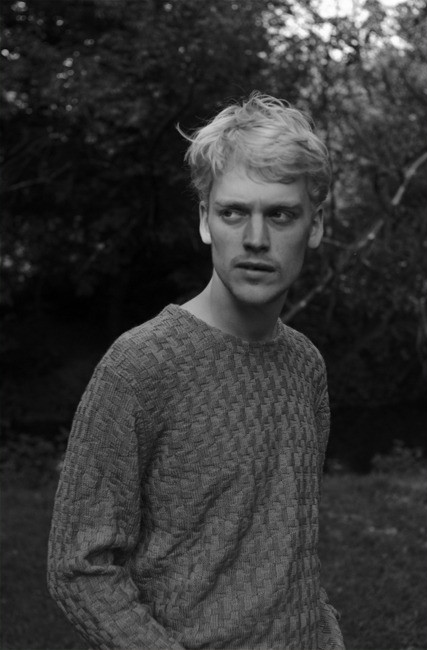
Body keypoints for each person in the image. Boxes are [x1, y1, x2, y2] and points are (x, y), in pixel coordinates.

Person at [48, 92, 345, 650]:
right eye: (233, 212)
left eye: (280, 214)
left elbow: (288, 543)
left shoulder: (305, 364)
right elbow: (79, 566)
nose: (255, 239)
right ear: (206, 219)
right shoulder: (140, 366)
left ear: (315, 225)